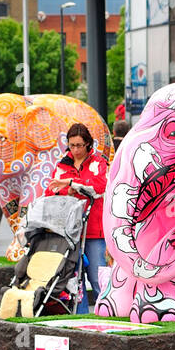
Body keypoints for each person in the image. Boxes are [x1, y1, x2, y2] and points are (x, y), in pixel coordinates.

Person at [44, 122, 108, 313]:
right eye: (72, 145)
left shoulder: (98, 162)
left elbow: (99, 185)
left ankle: (103, 313)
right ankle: (79, 316)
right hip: (71, 231)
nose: (76, 149)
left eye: (80, 145)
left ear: (88, 144)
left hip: (94, 229)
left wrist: (72, 182)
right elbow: (50, 190)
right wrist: (67, 189)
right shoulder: (63, 164)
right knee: (74, 278)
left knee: (97, 276)